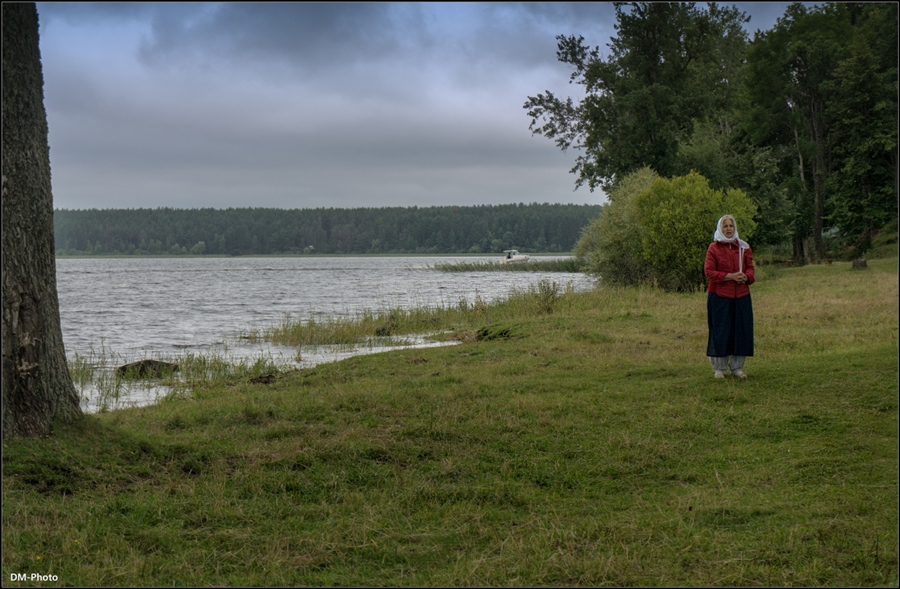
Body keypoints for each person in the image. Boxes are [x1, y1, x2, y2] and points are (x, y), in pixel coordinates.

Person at [704, 215, 754, 379]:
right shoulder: (713, 248)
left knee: (741, 331)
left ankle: (737, 367)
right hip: (720, 296)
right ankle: (719, 368)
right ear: (720, 228)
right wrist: (730, 276)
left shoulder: (743, 248)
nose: (728, 229)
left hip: (741, 296)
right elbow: (709, 272)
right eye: (725, 226)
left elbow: (750, 270)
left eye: (731, 225)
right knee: (721, 330)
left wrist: (745, 277)